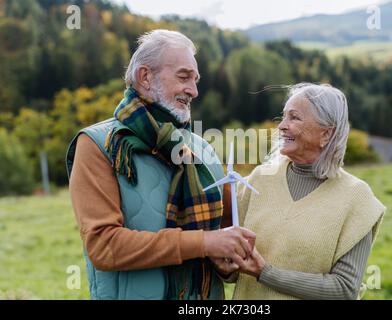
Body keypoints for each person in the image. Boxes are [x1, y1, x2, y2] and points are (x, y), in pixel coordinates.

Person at [66, 29, 255, 300]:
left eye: (196, 79)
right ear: (145, 77)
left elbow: (223, 233)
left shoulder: (203, 149)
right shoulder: (98, 145)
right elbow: (104, 246)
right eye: (183, 77)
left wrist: (228, 261)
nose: (194, 90)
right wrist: (203, 243)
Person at [212, 83, 386, 299]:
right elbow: (236, 271)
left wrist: (265, 273)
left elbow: (344, 290)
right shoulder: (258, 180)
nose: (282, 126)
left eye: (294, 118)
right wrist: (225, 266)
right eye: (283, 117)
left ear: (326, 134)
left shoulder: (357, 199)